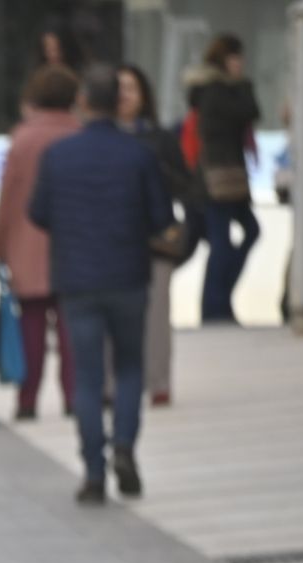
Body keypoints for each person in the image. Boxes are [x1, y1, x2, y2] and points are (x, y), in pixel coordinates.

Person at [29, 65, 173, 505]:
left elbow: (38, 213)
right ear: (120, 103)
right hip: (128, 276)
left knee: (89, 378)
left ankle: (94, 473)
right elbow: (162, 219)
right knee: (129, 368)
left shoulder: (59, 156)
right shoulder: (139, 155)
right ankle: (125, 445)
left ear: (85, 103)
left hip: (77, 280)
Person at [0, 64, 80, 420]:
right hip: (74, 247)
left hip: (26, 247)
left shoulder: (23, 138)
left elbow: (8, 197)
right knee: (72, 329)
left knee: (30, 327)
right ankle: (74, 398)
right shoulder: (79, 135)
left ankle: (27, 401)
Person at [117, 63, 193, 407]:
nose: (124, 95)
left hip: (154, 241)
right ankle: (110, 385)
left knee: (157, 315)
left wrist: (154, 170)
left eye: (131, 88)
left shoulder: (160, 138)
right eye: (118, 88)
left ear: (144, 95)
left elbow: (187, 186)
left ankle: (159, 382)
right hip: (113, 242)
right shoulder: (100, 137)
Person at [187, 34, 261, 324]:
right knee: (222, 243)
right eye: (235, 57)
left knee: (246, 234)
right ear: (223, 59)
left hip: (232, 177)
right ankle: (215, 308)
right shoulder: (214, 90)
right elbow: (248, 112)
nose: (240, 64)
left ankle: (219, 303)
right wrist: (243, 86)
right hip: (215, 178)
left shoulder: (223, 89)